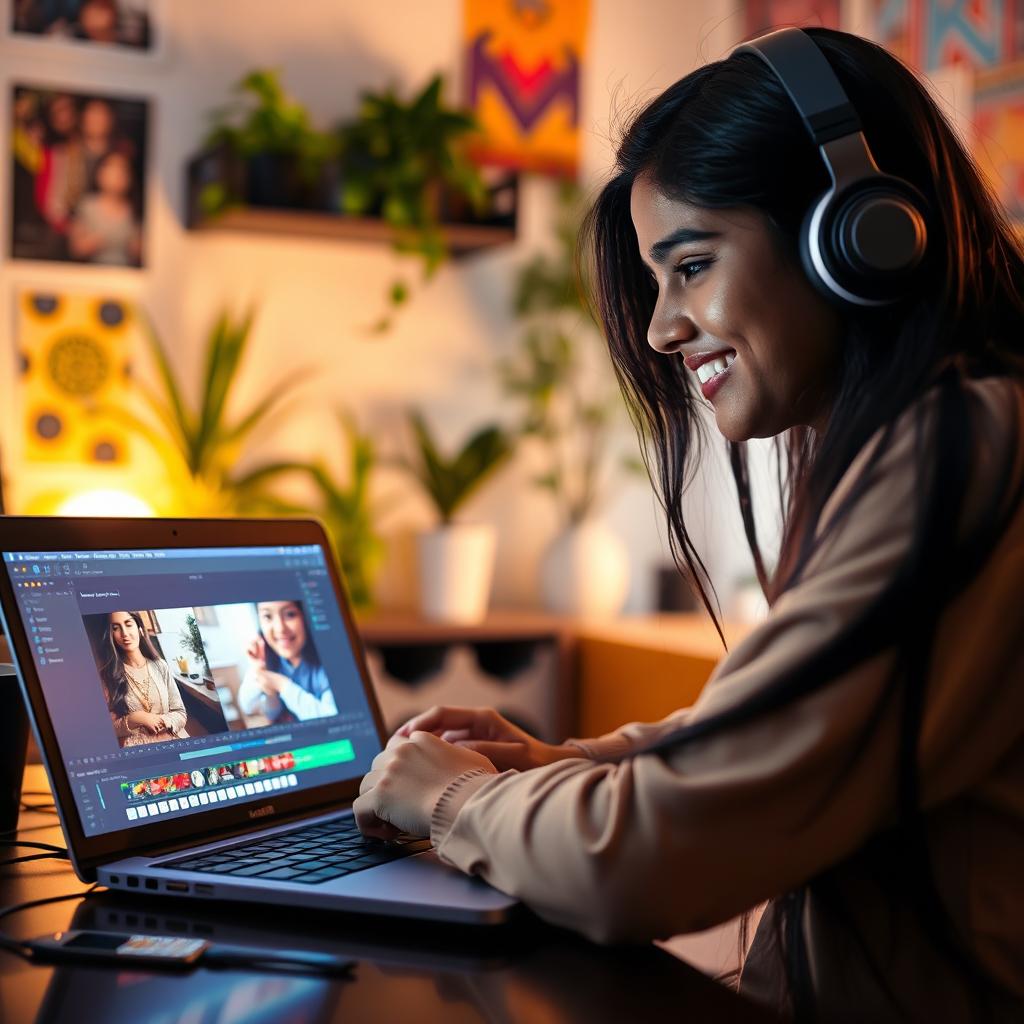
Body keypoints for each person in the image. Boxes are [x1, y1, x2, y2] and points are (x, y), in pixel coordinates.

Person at [353, 27, 1024, 1023]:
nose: (663, 327)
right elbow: (789, 729)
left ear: (856, 233)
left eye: (692, 263)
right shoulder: (959, 431)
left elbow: (644, 862)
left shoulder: (963, 450)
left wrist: (449, 800)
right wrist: (555, 764)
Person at [99, 610, 189, 747]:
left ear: (139, 628)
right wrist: (136, 718)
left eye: (128, 624)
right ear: (111, 635)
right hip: (138, 751)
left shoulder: (160, 666)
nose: (124, 634)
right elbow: (108, 728)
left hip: (172, 743)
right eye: (116, 628)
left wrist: (162, 720)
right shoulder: (108, 675)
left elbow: (180, 713)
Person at [237, 600, 337, 723]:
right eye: (268, 616)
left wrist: (282, 685)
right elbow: (249, 707)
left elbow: (331, 719)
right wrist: (258, 670)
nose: (280, 628)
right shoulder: (268, 658)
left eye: (290, 614)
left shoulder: (328, 661)